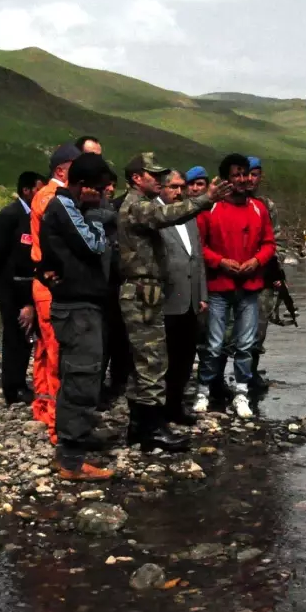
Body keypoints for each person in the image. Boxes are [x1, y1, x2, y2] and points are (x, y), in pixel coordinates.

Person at [117, 152, 226, 451]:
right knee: (152, 363)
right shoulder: (137, 206)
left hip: (147, 292)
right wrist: (206, 199)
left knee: (144, 363)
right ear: (137, 178)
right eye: (153, 175)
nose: (159, 180)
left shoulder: (138, 204)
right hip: (142, 293)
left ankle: (139, 427)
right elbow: (165, 216)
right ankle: (153, 429)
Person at [36, 153, 114, 480]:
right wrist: (95, 213)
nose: (103, 194)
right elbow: (94, 245)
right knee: (82, 378)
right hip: (77, 308)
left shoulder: (69, 207)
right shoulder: (65, 207)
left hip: (80, 305)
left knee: (79, 376)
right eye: (100, 189)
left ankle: (72, 446)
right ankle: (71, 460)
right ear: (84, 186)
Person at [193, 154, 276, 418]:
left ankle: (241, 392)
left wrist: (257, 261)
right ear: (226, 179)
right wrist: (220, 262)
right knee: (214, 343)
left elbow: (269, 243)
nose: (242, 179)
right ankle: (203, 391)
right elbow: (199, 246)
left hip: (249, 287)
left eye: (245, 173)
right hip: (219, 285)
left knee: (246, 344)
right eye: (236, 174)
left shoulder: (259, 208)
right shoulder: (210, 209)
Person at [30, 143, 82, 444]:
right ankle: (56, 424)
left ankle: (44, 407)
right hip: (52, 285)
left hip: (45, 284)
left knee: (46, 349)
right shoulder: (53, 198)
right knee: (57, 353)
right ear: (62, 170)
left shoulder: (46, 196)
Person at [0, 171, 46, 406]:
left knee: (27, 336)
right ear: (26, 190)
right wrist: (0, 283)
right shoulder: (10, 215)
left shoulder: (36, 215)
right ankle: (13, 389)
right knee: (14, 337)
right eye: (38, 189)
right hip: (11, 287)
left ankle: (22, 383)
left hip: (28, 286)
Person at [155, 169, 207, 426]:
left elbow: (197, 257)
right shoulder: (153, 215)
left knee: (186, 356)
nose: (179, 192)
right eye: (173, 187)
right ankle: (159, 409)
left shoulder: (189, 217)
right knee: (164, 357)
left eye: (181, 187)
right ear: (161, 188)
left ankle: (175, 406)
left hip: (191, 298)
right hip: (166, 298)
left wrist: (202, 293)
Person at [88, 172, 134, 408]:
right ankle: (98, 386)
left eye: (112, 185)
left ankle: (118, 381)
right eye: (106, 185)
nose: (109, 189)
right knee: (103, 338)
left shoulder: (116, 208)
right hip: (102, 284)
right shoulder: (101, 210)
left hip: (118, 282)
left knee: (120, 335)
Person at [247, 156, 281, 392]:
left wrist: (276, 271)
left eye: (255, 174)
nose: (250, 179)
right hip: (232, 275)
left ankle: (251, 373)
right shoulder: (225, 203)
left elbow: (277, 241)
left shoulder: (267, 206)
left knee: (259, 328)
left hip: (263, 277)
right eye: (247, 174)